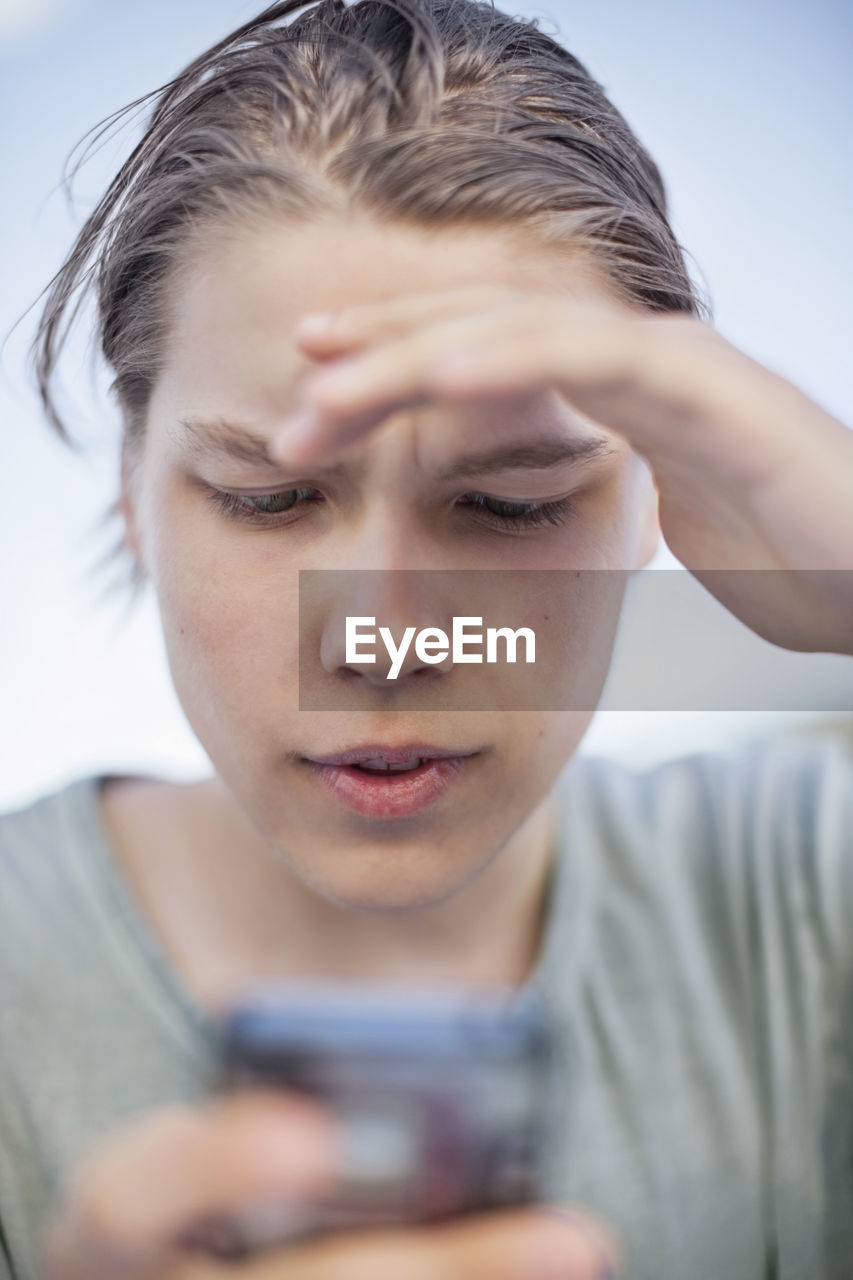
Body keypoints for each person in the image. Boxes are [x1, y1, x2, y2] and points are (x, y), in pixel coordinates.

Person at [1, 0, 852, 1276]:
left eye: (509, 504)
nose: (386, 643)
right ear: (130, 493)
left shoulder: (804, 888)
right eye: (268, 497)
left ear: (656, 500)